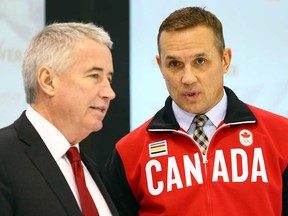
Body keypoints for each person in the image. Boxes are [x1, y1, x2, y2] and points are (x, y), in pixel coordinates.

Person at [104, 6, 288, 216]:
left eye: (200, 61)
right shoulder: (130, 152)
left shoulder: (281, 136)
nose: (188, 78)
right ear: (160, 66)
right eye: (174, 64)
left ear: (225, 60)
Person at [0, 22, 118, 216]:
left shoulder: (94, 171)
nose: (109, 93)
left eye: (109, 79)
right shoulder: (4, 156)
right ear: (48, 81)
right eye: (94, 76)